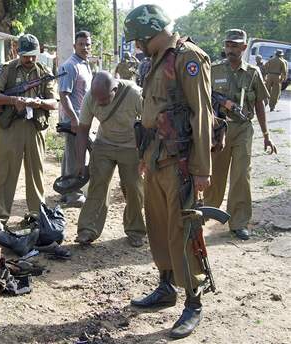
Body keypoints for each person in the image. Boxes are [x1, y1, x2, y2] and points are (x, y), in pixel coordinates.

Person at [124, 4, 213, 339]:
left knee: (183, 232)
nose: (136, 47)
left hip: (181, 165)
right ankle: (166, 286)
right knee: (159, 227)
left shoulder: (188, 58)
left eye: (138, 40)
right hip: (156, 159)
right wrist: (145, 157)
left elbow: (201, 114)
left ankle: (193, 302)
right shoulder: (157, 60)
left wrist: (202, 169)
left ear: (151, 32)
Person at [204, 29, 277, 240]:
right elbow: (202, 97)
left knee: (241, 176)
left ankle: (238, 222)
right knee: (215, 175)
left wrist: (266, 134)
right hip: (219, 128)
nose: (231, 49)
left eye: (235, 46)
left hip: (243, 128)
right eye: (228, 45)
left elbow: (260, 104)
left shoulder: (253, 72)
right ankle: (206, 213)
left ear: (244, 48)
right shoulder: (214, 70)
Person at [0, 34, 57, 235]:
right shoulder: (6, 69)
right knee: (4, 173)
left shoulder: (44, 72)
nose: (30, 60)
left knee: (36, 175)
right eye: (26, 56)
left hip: (35, 128)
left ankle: (36, 216)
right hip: (11, 128)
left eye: (33, 55)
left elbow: (54, 102)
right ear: (18, 52)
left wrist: (38, 103)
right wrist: (13, 100)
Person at [74, 71, 146, 247]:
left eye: (104, 99)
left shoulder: (134, 93)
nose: (100, 102)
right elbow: (83, 129)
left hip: (131, 146)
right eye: (97, 99)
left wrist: (145, 155)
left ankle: (135, 230)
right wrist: (80, 162)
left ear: (115, 89)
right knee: (97, 186)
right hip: (103, 144)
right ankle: (87, 230)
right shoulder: (91, 97)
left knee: (134, 188)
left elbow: (149, 124)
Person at [58, 30, 93, 207]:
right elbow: (63, 95)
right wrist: (73, 119)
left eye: (87, 44)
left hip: (83, 119)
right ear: (75, 46)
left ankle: (66, 191)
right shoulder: (70, 65)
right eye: (81, 44)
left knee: (71, 155)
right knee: (76, 157)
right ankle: (74, 194)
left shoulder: (85, 64)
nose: (85, 47)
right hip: (74, 120)